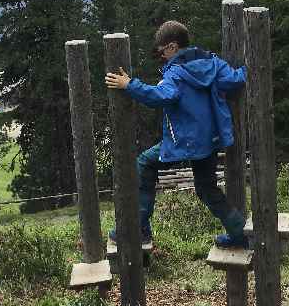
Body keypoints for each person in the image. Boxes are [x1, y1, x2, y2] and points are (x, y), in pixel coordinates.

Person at [104, 20, 249, 248]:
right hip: (210, 142)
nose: (161, 57)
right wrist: (252, 64)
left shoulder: (176, 73)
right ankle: (241, 235)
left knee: (144, 163)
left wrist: (129, 85)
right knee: (206, 189)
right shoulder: (213, 63)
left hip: (186, 142)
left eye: (161, 52)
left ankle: (138, 228)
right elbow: (236, 79)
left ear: (172, 47)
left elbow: (162, 96)